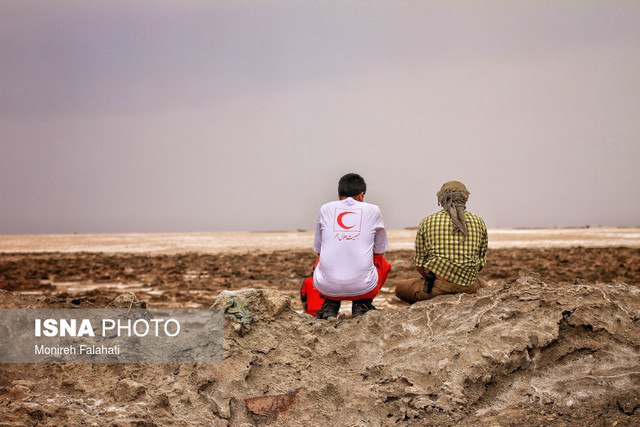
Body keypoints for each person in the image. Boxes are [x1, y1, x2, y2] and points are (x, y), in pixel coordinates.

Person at [312, 173, 392, 319]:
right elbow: (380, 250)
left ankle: (330, 304)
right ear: (361, 195)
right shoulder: (373, 210)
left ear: (339, 194)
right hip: (363, 288)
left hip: (327, 288)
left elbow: (318, 250)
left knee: (319, 261)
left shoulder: (325, 209)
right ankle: (362, 303)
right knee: (384, 264)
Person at [394, 180, 487, 303]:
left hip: (438, 288)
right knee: (485, 286)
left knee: (400, 288)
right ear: (465, 197)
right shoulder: (479, 222)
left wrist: (437, 278)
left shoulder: (428, 221)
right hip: (469, 288)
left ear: (442, 198)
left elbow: (419, 265)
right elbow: (480, 264)